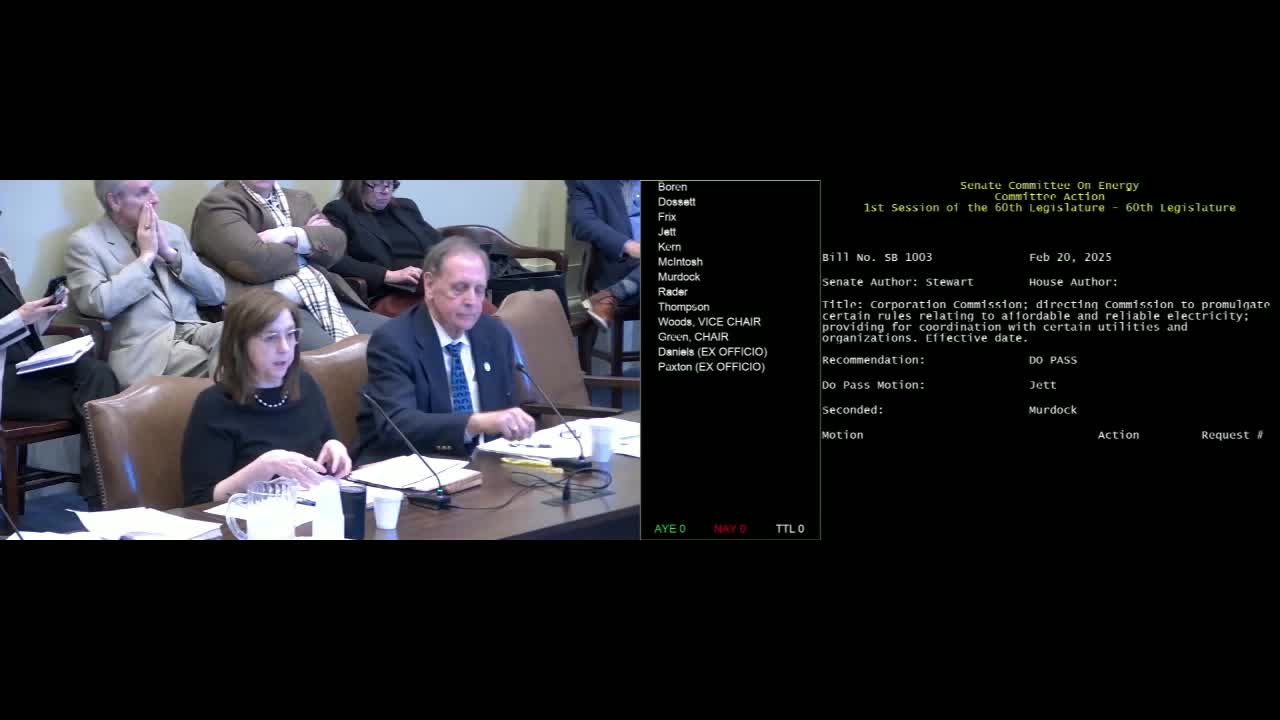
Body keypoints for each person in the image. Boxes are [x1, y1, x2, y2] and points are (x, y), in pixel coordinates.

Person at [356, 237, 535, 464]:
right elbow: (397, 424)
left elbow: (502, 413)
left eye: (479, 290)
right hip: (416, 465)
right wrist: (474, 423)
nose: (472, 301)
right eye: (460, 288)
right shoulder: (394, 341)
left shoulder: (494, 334)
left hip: (485, 463)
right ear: (429, 285)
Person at [181, 289, 352, 505]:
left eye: (290, 334)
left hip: (311, 512)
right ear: (240, 344)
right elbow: (200, 500)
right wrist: (265, 467)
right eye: (271, 338)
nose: (285, 348)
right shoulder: (214, 405)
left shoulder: (305, 385)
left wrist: (334, 448)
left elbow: (325, 451)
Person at [190, 180, 387, 352]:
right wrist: (308, 242)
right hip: (267, 305)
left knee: (393, 335)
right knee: (334, 354)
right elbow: (257, 263)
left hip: (322, 295)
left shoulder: (300, 199)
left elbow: (336, 246)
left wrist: (289, 234)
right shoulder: (218, 204)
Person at [65, 180, 226, 387]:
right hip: (148, 349)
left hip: (195, 330)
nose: (155, 198)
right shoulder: (85, 243)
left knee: (245, 336)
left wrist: (170, 254)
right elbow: (97, 304)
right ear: (115, 201)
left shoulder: (172, 233)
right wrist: (146, 256)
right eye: (143, 192)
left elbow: (216, 294)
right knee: (235, 363)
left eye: (153, 188)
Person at [1, 249, 120, 511]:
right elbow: (12, 324)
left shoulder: (2, 263)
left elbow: (24, 332)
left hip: (24, 367)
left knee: (98, 373)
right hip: (3, 383)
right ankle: (105, 499)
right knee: (94, 403)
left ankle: (107, 490)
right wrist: (18, 318)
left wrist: (46, 313)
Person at [323, 180, 441, 317]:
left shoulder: (406, 207)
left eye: (389, 184)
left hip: (430, 279)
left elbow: (440, 243)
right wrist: (388, 275)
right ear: (356, 184)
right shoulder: (339, 211)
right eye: (377, 184)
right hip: (392, 291)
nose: (385, 191)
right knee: (446, 304)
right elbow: (334, 259)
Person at [566, 180, 641, 331]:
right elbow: (582, 224)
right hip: (621, 264)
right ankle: (616, 291)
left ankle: (611, 295)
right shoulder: (586, 183)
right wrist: (628, 245)